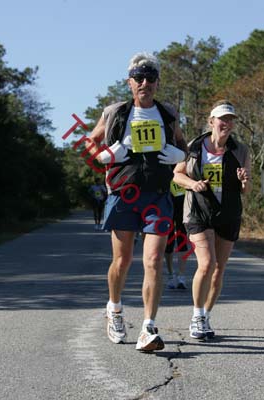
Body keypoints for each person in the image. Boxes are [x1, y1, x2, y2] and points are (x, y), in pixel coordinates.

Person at [86, 52, 187, 351]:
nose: (145, 83)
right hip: (123, 193)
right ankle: (114, 309)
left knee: (154, 260)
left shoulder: (168, 113)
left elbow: (183, 144)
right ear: (130, 82)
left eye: (151, 77)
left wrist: (180, 157)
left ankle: (148, 328)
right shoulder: (115, 112)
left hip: (157, 195)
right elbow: (91, 142)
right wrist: (103, 156)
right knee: (123, 260)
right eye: (139, 78)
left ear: (157, 82)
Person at [173, 99, 251, 339]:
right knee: (206, 264)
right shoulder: (194, 146)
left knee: (219, 269)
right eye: (222, 118)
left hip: (228, 213)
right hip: (199, 211)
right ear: (211, 121)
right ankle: (196, 316)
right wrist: (193, 183)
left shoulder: (240, 150)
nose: (226, 123)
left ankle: (205, 316)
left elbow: (245, 190)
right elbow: (177, 175)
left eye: (230, 119)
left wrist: (244, 181)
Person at [165, 180, 188, 290]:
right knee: (168, 239)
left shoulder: (183, 162)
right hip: (166, 201)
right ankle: (170, 274)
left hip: (183, 201)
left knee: (182, 237)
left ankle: (181, 275)